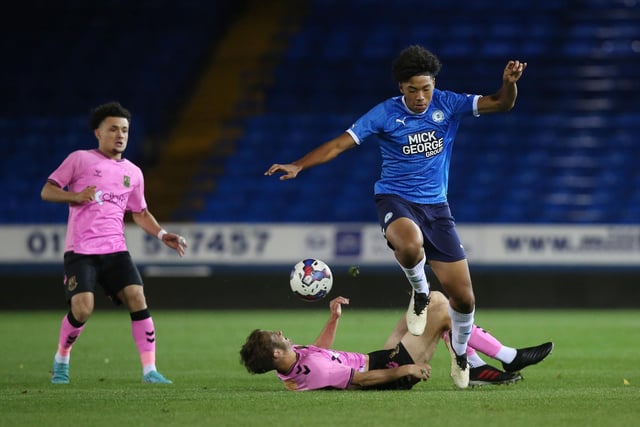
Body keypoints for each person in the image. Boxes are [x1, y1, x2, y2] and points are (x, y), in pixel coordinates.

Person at [265, 45, 528, 387]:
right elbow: (339, 144)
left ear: (434, 84)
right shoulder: (384, 114)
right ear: (401, 88)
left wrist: (509, 83)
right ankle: (420, 293)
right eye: (413, 90)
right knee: (409, 243)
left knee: (464, 299)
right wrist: (299, 164)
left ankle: (463, 356)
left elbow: (502, 102)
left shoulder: (448, 103)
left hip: (437, 209)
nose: (421, 97)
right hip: (395, 199)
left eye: (426, 88)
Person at [41, 101, 188, 384]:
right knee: (82, 309)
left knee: (137, 296)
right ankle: (62, 358)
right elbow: (47, 190)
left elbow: (140, 212)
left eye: (124, 130)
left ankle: (150, 371)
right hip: (81, 251)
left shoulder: (133, 172)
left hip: (116, 250)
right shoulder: (80, 159)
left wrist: (161, 234)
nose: (120, 135)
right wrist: (76, 196)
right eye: (113, 129)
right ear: (98, 133)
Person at [240, 292, 553, 391]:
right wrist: (406, 371)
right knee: (444, 312)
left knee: (431, 299)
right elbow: (362, 380)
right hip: (389, 369)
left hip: (379, 357)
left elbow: (322, 350)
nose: (281, 333)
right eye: (276, 337)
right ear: (277, 353)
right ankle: (508, 357)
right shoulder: (316, 371)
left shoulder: (294, 366)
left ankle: (475, 366)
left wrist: (333, 318)